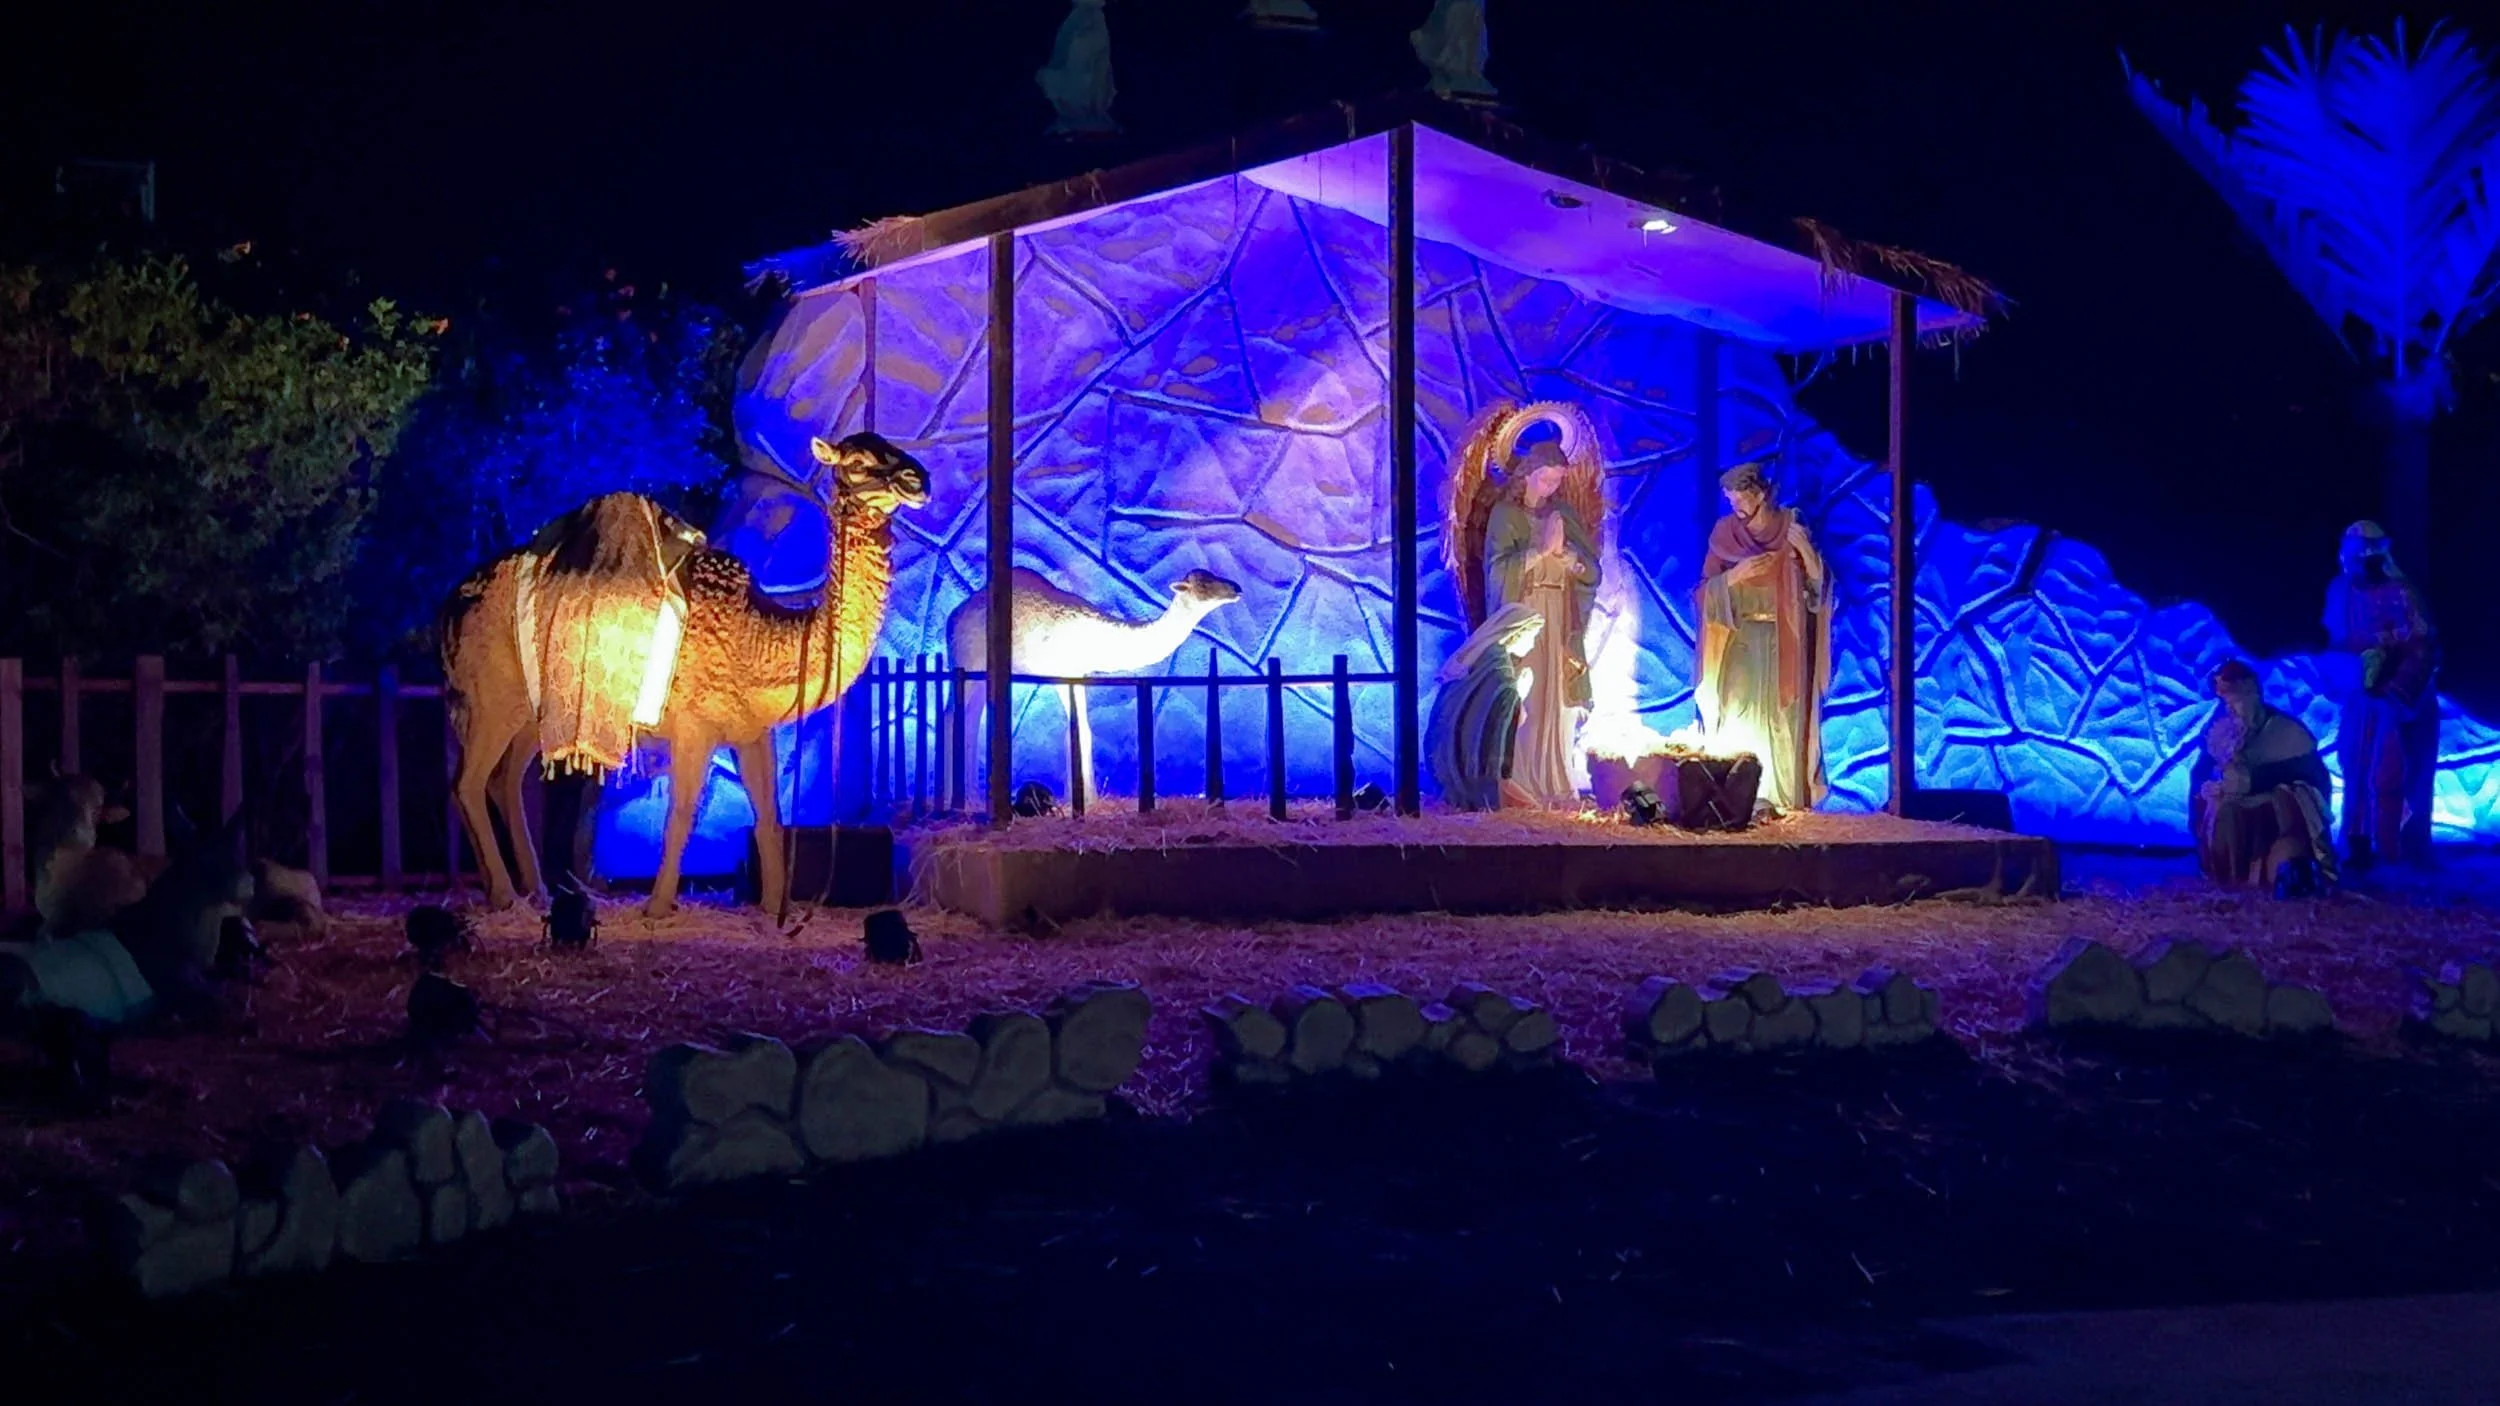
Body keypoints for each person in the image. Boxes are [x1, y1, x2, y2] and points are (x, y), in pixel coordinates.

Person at [1696, 461, 1830, 812]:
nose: (1736, 507)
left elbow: (1818, 592)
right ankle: (1740, 800)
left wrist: (1807, 554)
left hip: (1784, 642)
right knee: (1737, 713)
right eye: (1731, 500)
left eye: (1741, 498)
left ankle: (1779, 798)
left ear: (1760, 494)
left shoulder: (1791, 528)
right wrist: (1733, 577)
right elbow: (1702, 594)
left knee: (1781, 722)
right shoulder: (1725, 534)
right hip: (1740, 643)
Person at [1484, 442, 1599, 807]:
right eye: (1545, 479)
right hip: (1524, 616)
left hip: (1560, 616)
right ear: (1527, 475)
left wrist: (1570, 560)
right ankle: (1521, 781)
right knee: (1527, 694)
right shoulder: (1505, 515)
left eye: (1556, 481)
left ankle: (1557, 782)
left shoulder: (1563, 514)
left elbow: (1591, 572)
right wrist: (1539, 553)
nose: (1551, 487)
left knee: (1559, 697)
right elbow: (1496, 571)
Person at [2322, 520, 2437, 872]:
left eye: (2366, 552)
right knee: (2356, 769)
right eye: (2353, 552)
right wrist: (2350, 672)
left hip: (2400, 699)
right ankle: (2356, 846)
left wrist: (2396, 691)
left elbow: (2422, 644)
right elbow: (2337, 640)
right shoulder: (2340, 590)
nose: (2358, 559)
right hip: (2361, 697)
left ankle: (2400, 850)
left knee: (2394, 774)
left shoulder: (2402, 592)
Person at [2193, 660, 2337, 896]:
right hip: (2236, 805)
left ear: (2253, 696)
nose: (2230, 709)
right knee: (2222, 808)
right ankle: (2228, 877)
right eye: (2225, 702)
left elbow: (2310, 779)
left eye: (2235, 700)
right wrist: (2210, 784)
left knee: (2281, 807)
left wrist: (2253, 781)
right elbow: (2205, 771)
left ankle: (2282, 874)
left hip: (2278, 810)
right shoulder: (2223, 729)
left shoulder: (2288, 731)